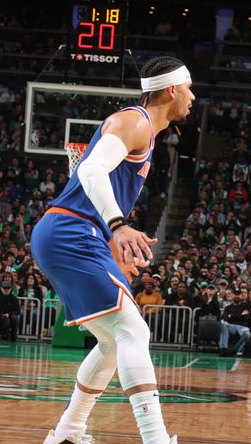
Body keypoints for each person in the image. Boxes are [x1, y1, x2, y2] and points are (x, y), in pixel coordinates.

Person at [32, 56, 193, 444]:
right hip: (71, 230)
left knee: (112, 342)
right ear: (171, 89)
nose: (192, 97)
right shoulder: (133, 120)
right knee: (132, 331)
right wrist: (118, 227)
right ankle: (155, 439)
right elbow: (88, 172)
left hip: (73, 233)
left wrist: (108, 239)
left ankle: (70, 430)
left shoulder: (146, 133)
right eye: (189, 88)